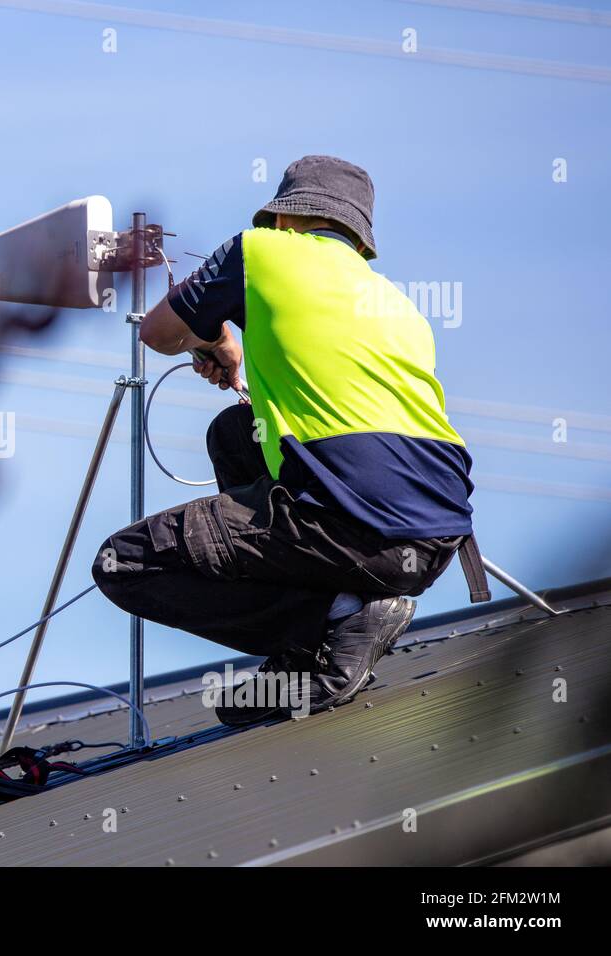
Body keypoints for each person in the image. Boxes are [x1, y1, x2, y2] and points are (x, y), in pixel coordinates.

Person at [92, 155, 487, 725]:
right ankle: (321, 631)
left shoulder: (257, 251)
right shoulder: (396, 305)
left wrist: (207, 332)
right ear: (357, 237)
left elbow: (158, 333)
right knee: (235, 431)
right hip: (435, 536)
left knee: (123, 563)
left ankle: (333, 626)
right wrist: (224, 339)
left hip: (353, 525)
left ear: (283, 220)